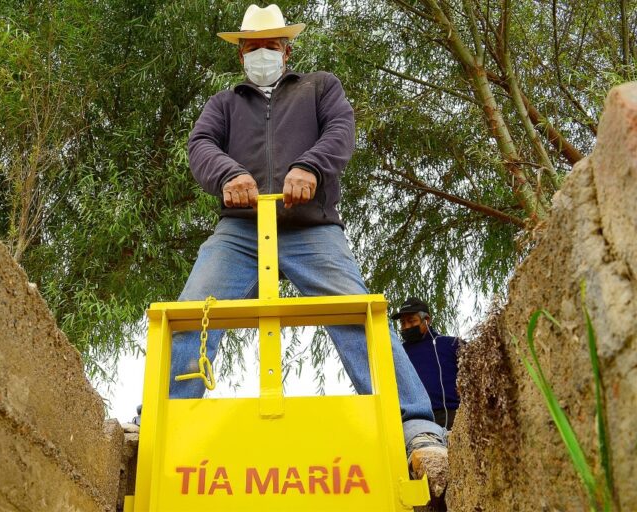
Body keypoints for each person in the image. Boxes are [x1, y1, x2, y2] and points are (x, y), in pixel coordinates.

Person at [159, 3, 448, 496]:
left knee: (360, 314)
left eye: (271, 45)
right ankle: (162, 423)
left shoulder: (320, 87)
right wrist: (229, 175)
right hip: (241, 231)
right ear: (241, 55)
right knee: (193, 311)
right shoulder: (224, 103)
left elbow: (341, 131)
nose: (262, 53)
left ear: (287, 49)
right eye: (253, 46)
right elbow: (200, 145)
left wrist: (311, 167)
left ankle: (416, 428)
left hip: (313, 229)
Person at [392, 297, 461, 429]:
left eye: (411, 321)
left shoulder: (452, 344)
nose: (406, 327)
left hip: (453, 416)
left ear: (427, 320)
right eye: (403, 323)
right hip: (415, 421)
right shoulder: (398, 353)